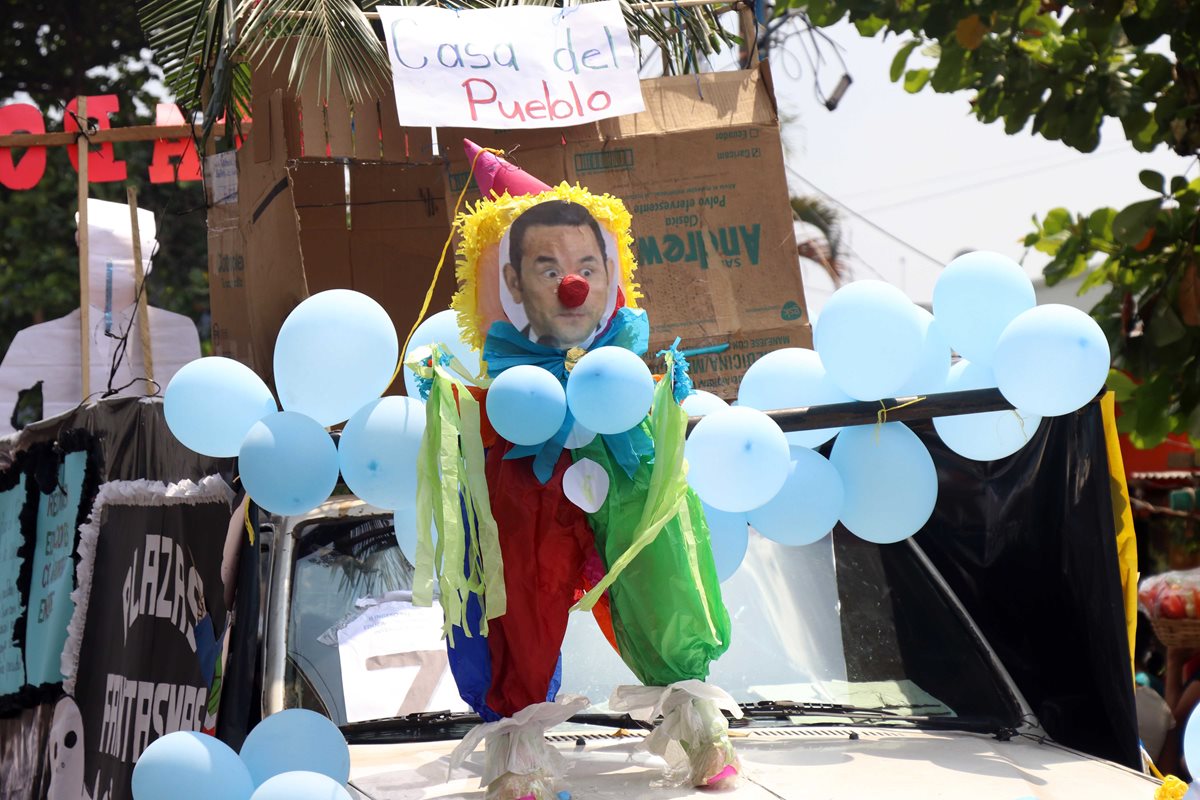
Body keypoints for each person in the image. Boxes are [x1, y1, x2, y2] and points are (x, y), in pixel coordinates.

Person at [502, 201, 612, 349]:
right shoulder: (500, 359)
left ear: (608, 276)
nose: (572, 294)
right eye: (551, 273)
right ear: (514, 282)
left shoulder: (625, 346)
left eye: (587, 272)